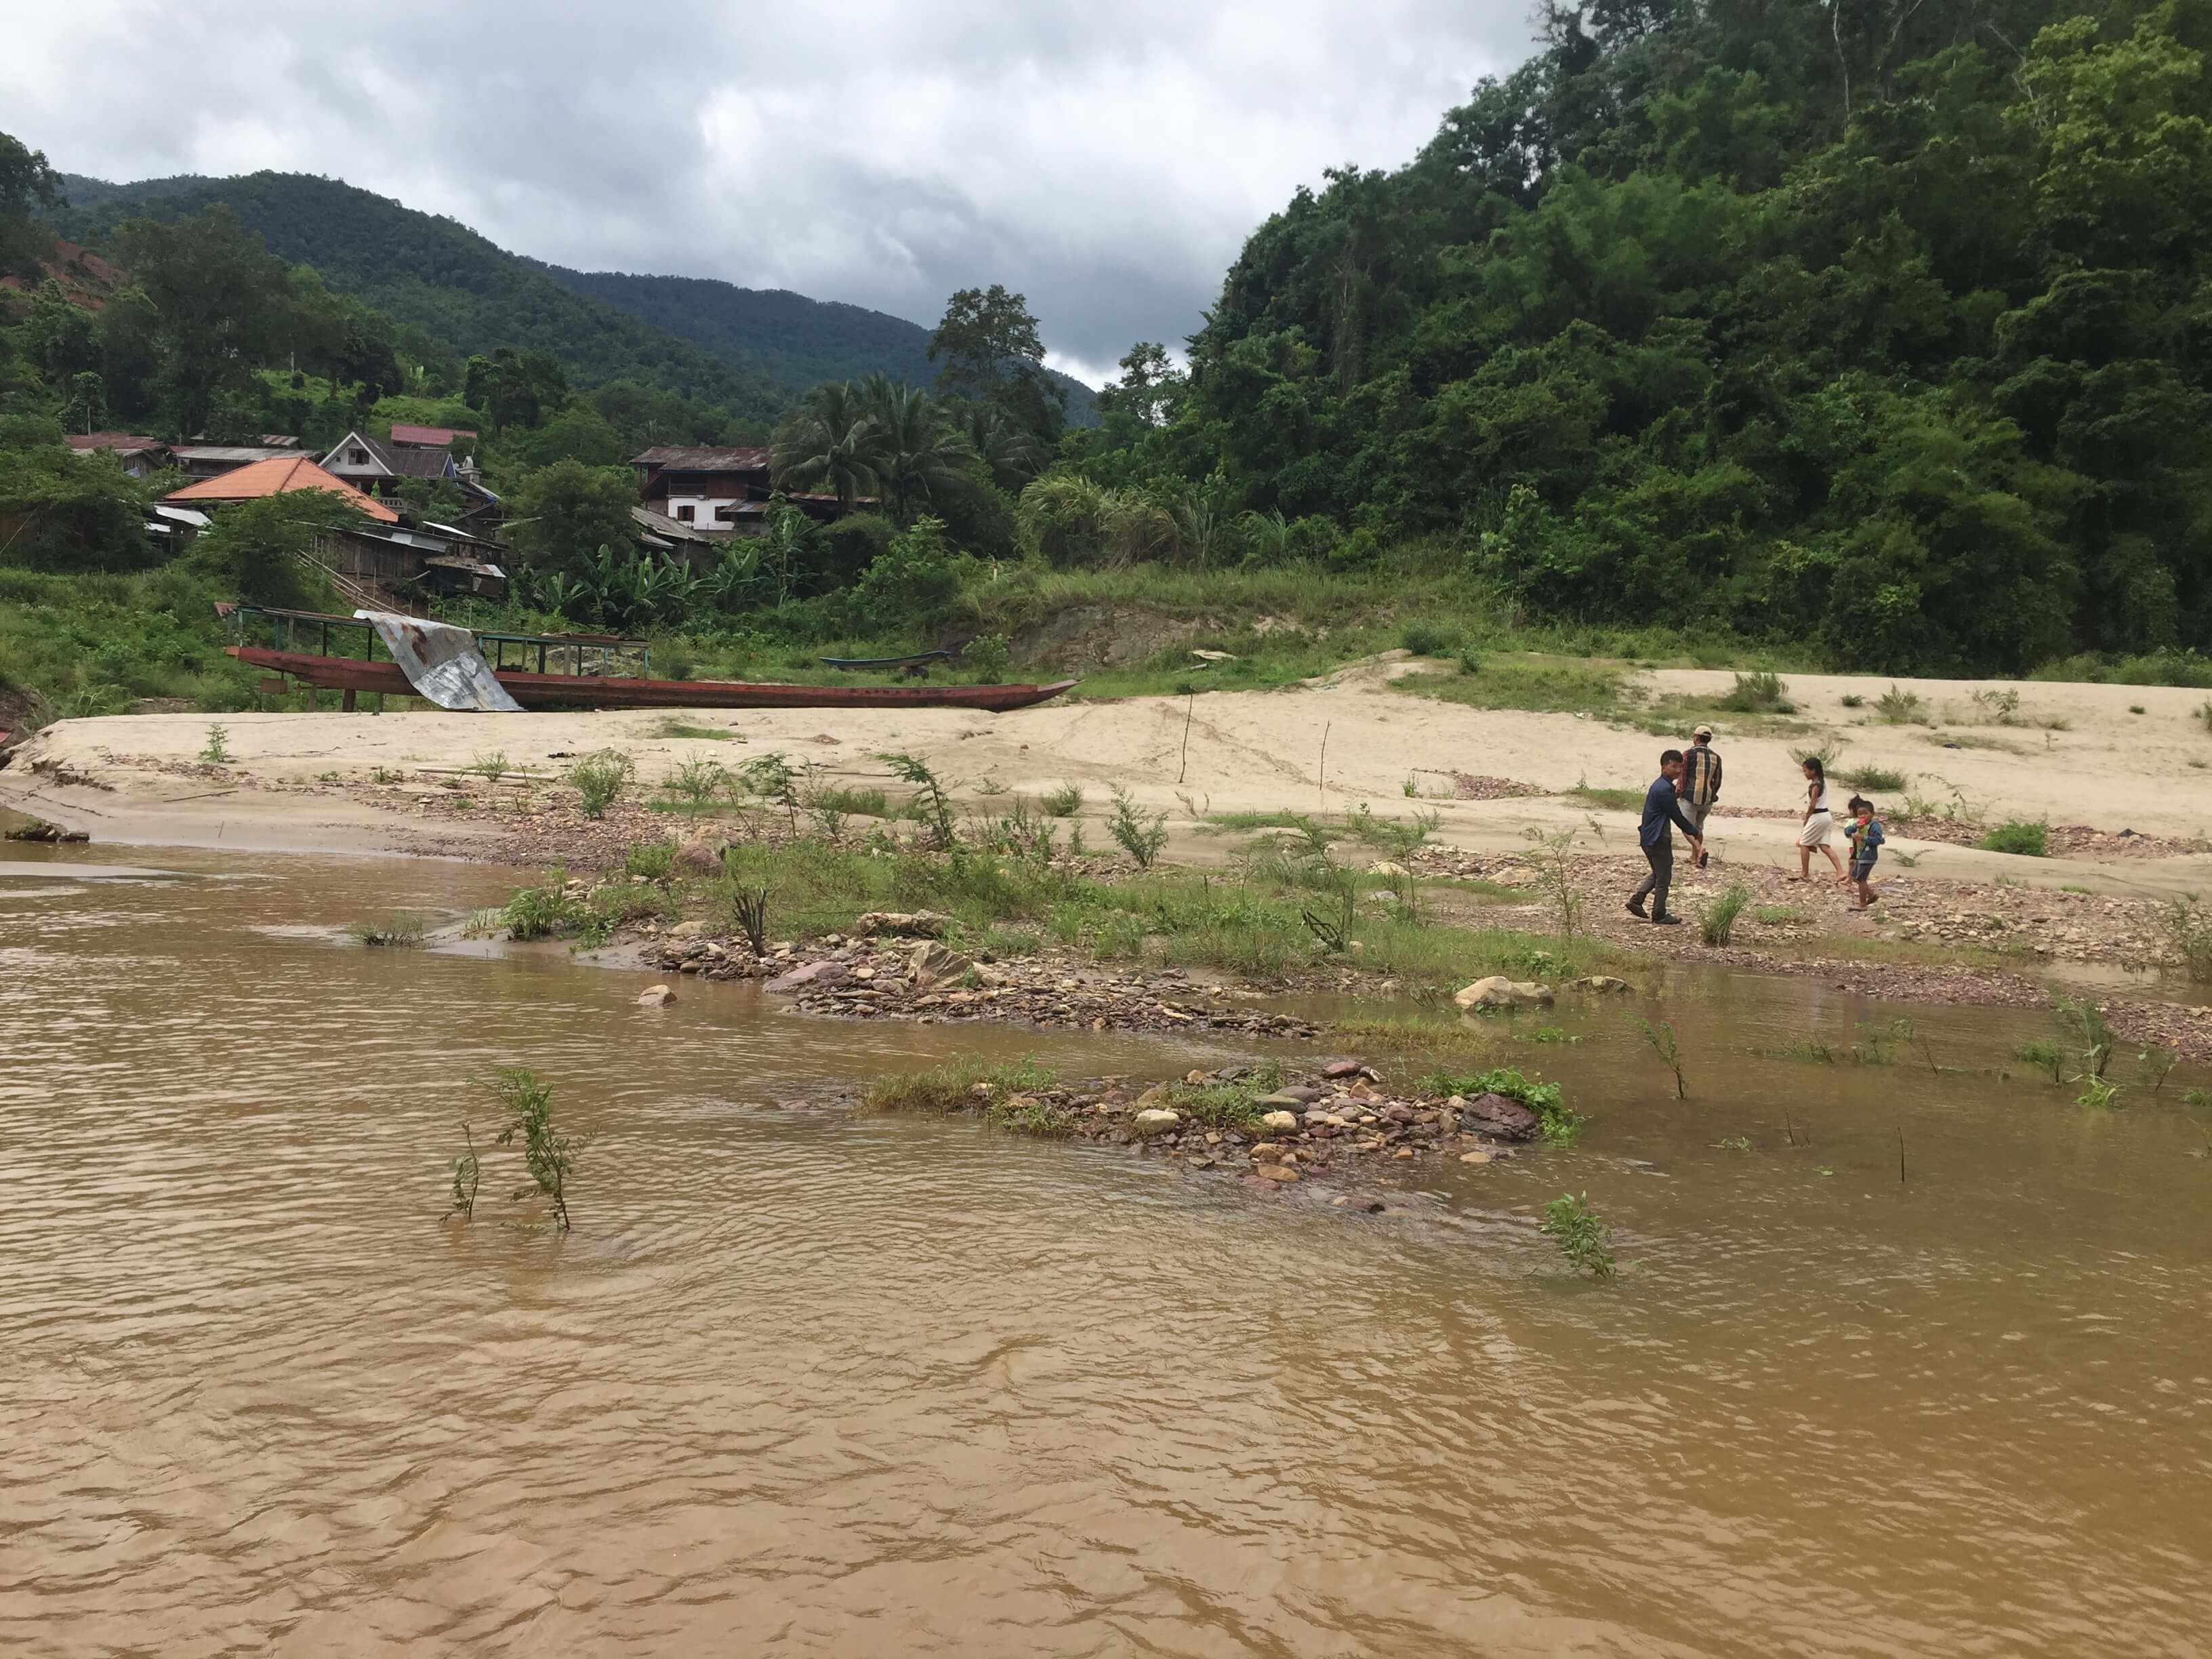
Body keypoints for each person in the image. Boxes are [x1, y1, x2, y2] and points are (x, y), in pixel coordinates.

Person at [1629, 749, 1705, 924]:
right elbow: (1676, 816)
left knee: (1659, 872)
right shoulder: (1663, 789)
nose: (1678, 770)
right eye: (1674, 767)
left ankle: (1637, 901)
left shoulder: (1661, 786)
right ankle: (1659, 914)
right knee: (1664, 878)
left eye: (1681, 767)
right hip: (1658, 838)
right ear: (1664, 767)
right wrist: (1694, 832)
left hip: (1649, 837)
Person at [1794, 756, 1847, 884]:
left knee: (1803, 843)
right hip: (1826, 816)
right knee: (1825, 847)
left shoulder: (1815, 786)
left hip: (1818, 816)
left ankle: (1804, 874)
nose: (1805, 774)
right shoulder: (1822, 782)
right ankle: (1840, 871)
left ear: (1813, 771)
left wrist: (1807, 818)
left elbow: (1812, 805)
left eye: (1806, 771)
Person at [1681, 725, 1722, 867]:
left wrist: (1678, 793)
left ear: (1696, 738)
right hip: (1708, 799)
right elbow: (1718, 781)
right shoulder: (1716, 757)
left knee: (1686, 827)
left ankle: (1699, 850)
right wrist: (1712, 794)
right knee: (1698, 828)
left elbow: (1683, 776)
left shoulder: (1688, 754)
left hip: (1690, 797)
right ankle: (1694, 858)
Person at [1844, 795, 1885, 909]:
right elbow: (1847, 832)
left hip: (1868, 856)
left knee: (1861, 879)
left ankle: (1862, 904)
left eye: (1865, 814)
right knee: (1855, 877)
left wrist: (1864, 838)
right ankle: (1871, 895)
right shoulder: (1858, 825)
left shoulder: (1874, 826)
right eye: (1860, 814)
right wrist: (1855, 827)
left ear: (1872, 814)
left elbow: (1879, 840)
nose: (1862, 816)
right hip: (1860, 855)